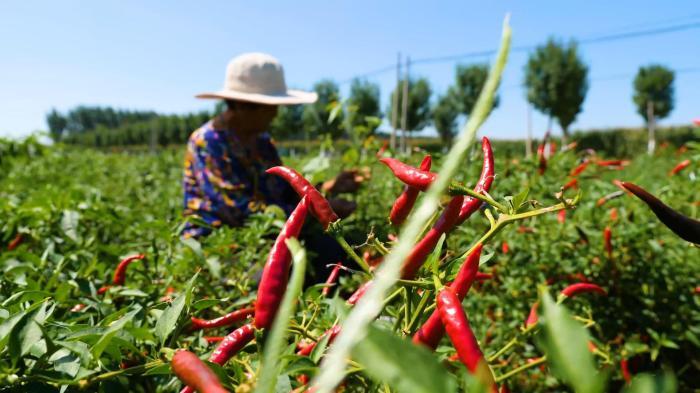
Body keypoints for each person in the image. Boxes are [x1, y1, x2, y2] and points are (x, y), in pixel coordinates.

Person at [182, 53, 358, 270]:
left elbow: (284, 193)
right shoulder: (208, 142)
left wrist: (328, 190)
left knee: (337, 252)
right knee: (282, 272)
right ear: (243, 106)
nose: (275, 113)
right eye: (270, 106)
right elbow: (240, 211)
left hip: (271, 235)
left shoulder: (263, 141)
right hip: (218, 244)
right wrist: (318, 212)